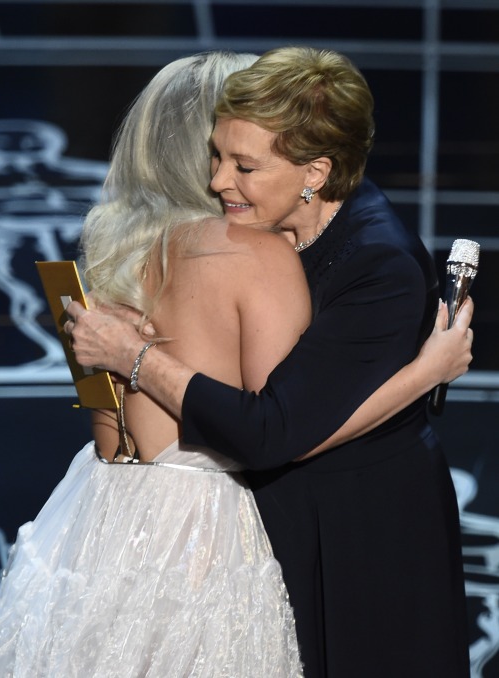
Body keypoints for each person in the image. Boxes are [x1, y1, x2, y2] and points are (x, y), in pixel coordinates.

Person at [65, 47, 474, 677]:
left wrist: (133, 357)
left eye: (244, 165)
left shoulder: (377, 263)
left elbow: (271, 433)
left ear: (315, 171)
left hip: (363, 526)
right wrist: (423, 377)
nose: (218, 181)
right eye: (217, 156)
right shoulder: (260, 233)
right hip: (262, 512)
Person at [0, 51, 310, 677]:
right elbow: (283, 430)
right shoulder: (260, 254)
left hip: (96, 510)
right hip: (203, 531)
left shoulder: (110, 246)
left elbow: (107, 426)